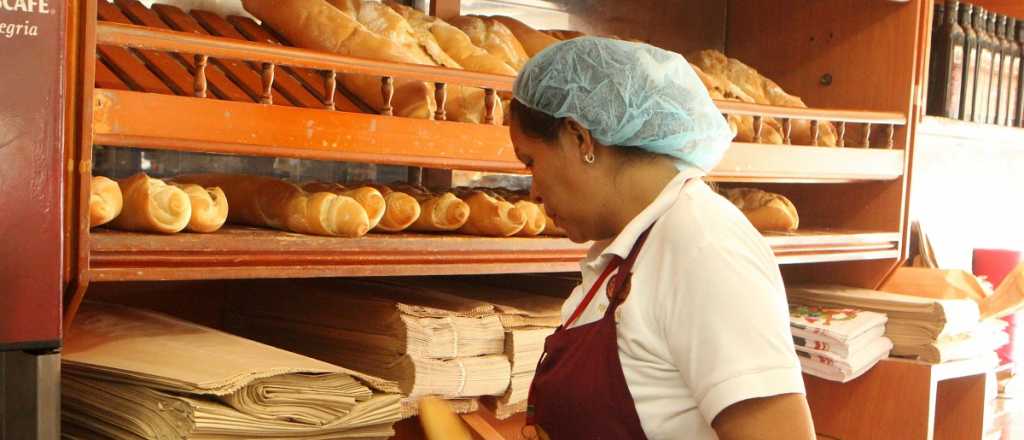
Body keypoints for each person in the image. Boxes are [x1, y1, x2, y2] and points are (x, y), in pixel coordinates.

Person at [510, 37, 816, 439]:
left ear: (579, 137)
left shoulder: (703, 247)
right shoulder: (630, 250)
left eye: (531, 161)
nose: (531, 190)